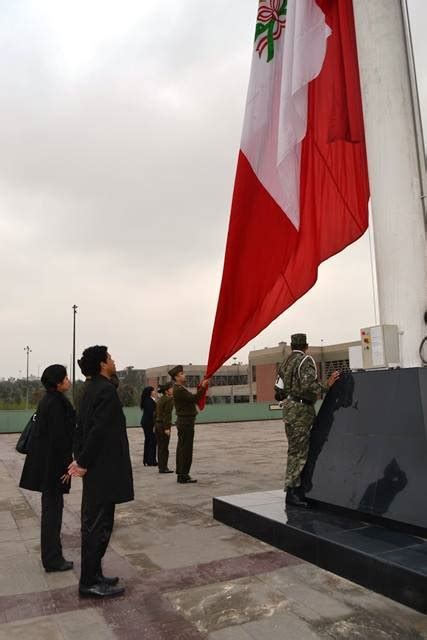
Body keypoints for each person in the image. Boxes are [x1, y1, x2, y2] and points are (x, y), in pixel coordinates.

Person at [68, 346, 134, 598]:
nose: (114, 360)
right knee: (98, 525)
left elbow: (80, 428)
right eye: (110, 358)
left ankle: (94, 575)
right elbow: (97, 431)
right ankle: (88, 582)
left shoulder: (91, 389)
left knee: (96, 523)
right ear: (102, 364)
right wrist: (83, 461)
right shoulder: (105, 391)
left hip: (97, 469)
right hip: (103, 469)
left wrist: (80, 458)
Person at [19, 365, 75, 572]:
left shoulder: (48, 400)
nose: (68, 381)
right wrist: (66, 467)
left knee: (51, 511)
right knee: (52, 513)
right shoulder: (56, 403)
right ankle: (52, 559)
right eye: (65, 378)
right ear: (58, 382)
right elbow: (59, 439)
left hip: (47, 465)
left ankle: (53, 556)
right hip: (53, 467)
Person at [276, 334, 339, 508]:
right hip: (301, 411)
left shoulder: (285, 362)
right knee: (299, 452)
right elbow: (309, 385)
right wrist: (328, 384)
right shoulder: (305, 360)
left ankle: (296, 487)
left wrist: (289, 396)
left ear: (291, 346)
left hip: (289, 409)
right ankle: (293, 492)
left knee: (295, 449)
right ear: (306, 346)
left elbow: (278, 391)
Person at [168, 365, 209, 484]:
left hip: (185, 421)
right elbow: (195, 398)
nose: (184, 375)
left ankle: (182, 473)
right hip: (185, 422)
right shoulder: (179, 389)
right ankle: (183, 474)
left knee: (182, 448)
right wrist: (203, 387)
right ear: (176, 377)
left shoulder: (180, 388)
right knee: (185, 449)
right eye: (181, 374)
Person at [155, 382, 174, 474]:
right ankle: (164, 468)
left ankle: (161, 467)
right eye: (171, 389)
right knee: (164, 447)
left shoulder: (160, 399)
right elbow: (167, 415)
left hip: (158, 424)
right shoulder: (169, 400)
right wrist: (167, 428)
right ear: (167, 391)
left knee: (160, 447)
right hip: (163, 425)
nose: (172, 390)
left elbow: (156, 414)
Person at [140, 386, 157, 466]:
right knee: (152, 441)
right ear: (150, 392)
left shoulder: (148, 400)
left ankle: (147, 460)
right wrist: (154, 424)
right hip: (149, 423)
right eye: (153, 390)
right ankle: (151, 460)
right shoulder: (149, 401)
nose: (155, 392)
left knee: (148, 440)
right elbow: (151, 414)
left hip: (146, 422)